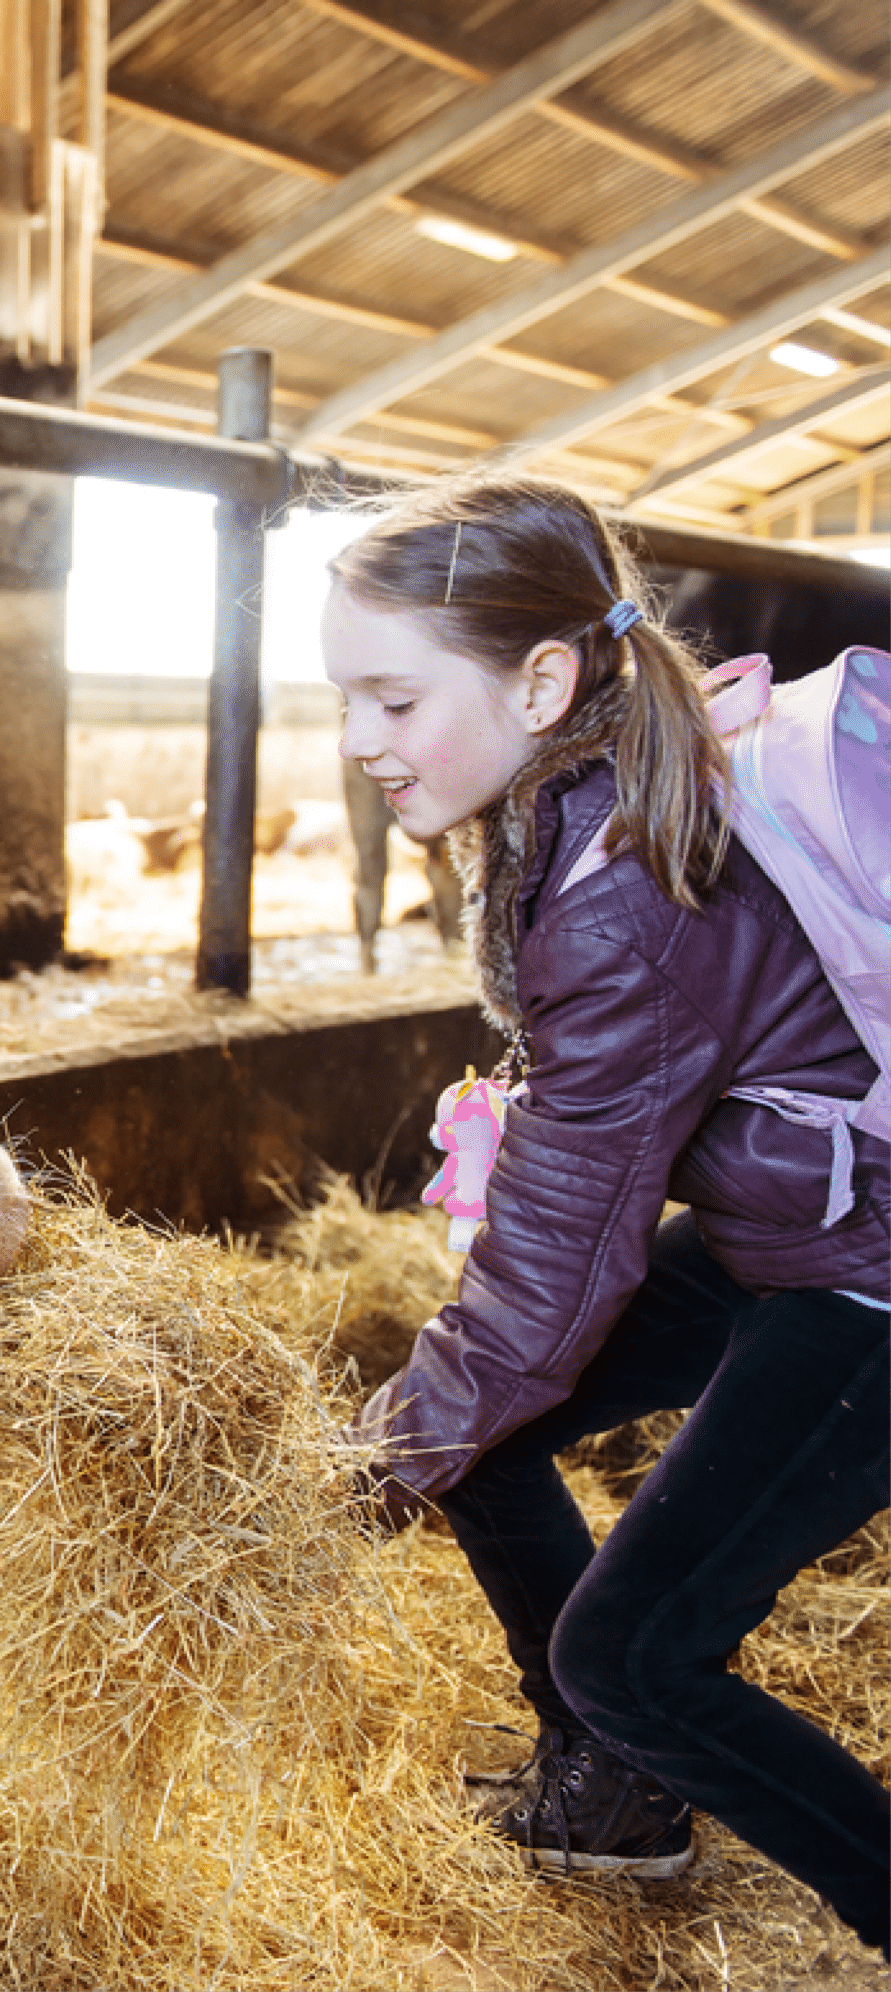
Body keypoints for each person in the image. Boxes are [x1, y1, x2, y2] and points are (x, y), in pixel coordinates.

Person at [322, 471, 888, 1952]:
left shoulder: (623, 890)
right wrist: (431, 1419)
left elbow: (552, 1285)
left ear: (545, 679)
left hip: (871, 1277)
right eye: (344, 700)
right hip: (803, 1225)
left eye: (391, 698)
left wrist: (351, 1481)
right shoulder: (573, 805)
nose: (356, 740)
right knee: (482, 1426)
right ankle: (618, 1801)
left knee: (637, 1655)